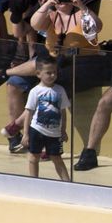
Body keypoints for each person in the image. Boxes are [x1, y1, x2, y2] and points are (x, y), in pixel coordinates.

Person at [0, 0, 104, 156]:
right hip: (51, 65)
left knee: (50, 88)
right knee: (16, 83)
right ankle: (21, 133)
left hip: (79, 65)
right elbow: (35, 23)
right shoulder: (50, 14)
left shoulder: (82, 14)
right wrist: (48, 3)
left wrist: (81, 6)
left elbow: (96, 27)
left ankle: (32, 133)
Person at [14, 54, 72, 182]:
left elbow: (63, 112)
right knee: (34, 157)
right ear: (39, 74)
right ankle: (34, 182)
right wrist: (26, 134)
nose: (52, 75)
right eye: (48, 73)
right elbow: (28, 112)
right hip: (37, 130)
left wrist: (63, 130)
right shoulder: (35, 91)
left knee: (56, 158)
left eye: (54, 72)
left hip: (54, 132)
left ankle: (67, 183)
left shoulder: (60, 90)